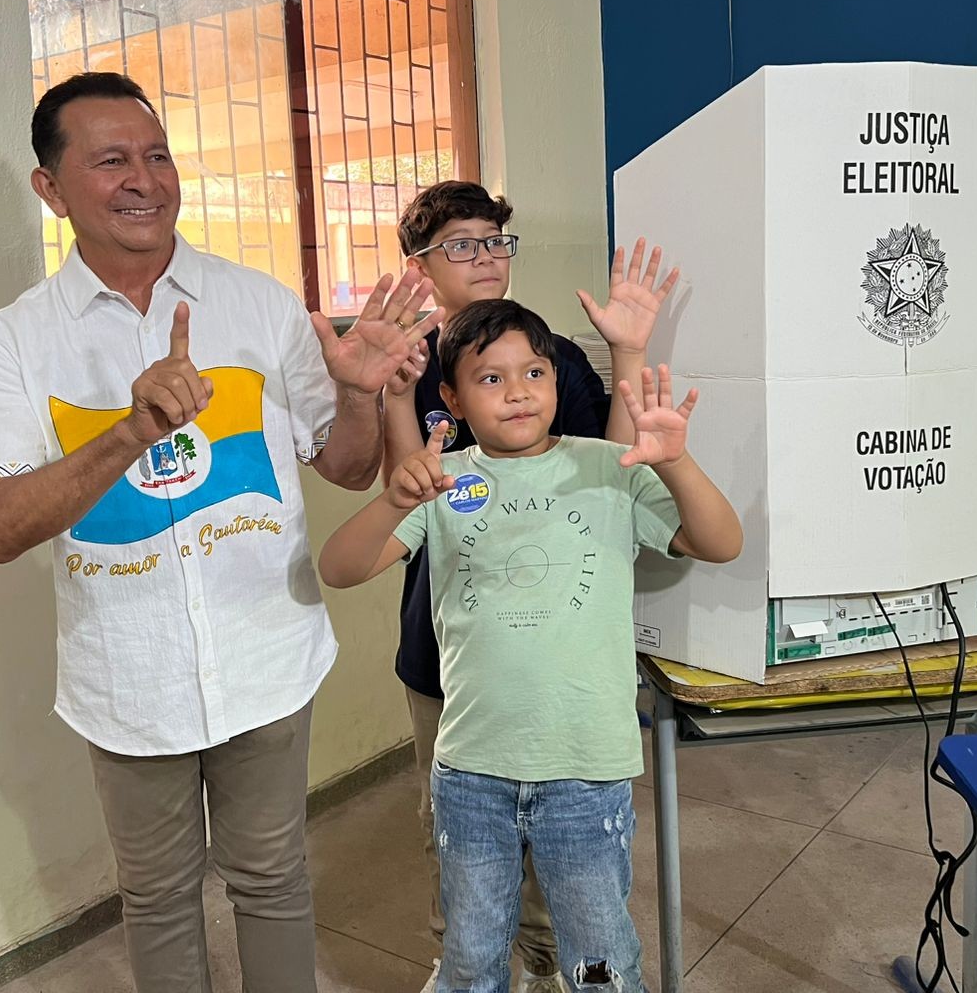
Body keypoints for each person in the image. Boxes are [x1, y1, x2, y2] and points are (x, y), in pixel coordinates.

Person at [0, 71, 439, 993]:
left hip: (265, 648)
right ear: (51, 189)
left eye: (157, 156)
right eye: (110, 161)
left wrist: (357, 391)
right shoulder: (17, 339)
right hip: (126, 670)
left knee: (273, 878)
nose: (144, 179)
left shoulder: (257, 303)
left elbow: (343, 468)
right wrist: (131, 433)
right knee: (157, 894)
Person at [318, 299, 743, 993]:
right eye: (490, 379)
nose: (517, 391)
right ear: (450, 397)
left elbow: (720, 543)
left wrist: (679, 463)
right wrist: (395, 501)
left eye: (534, 372)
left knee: (598, 961)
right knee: (470, 959)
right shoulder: (443, 479)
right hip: (471, 773)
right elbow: (339, 567)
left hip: (584, 769)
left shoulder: (610, 467)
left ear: (554, 380)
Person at [384, 182, 679, 992]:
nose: (483, 258)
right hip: (451, 639)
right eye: (460, 244)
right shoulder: (406, 362)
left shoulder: (551, 355)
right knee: (464, 853)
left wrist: (629, 358)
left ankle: (554, 971)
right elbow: (398, 494)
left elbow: (604, 473)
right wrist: (381, 392)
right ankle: (472, 968)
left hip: (555, 641)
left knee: (567, 886)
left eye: (493, 241)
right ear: (419, 265)